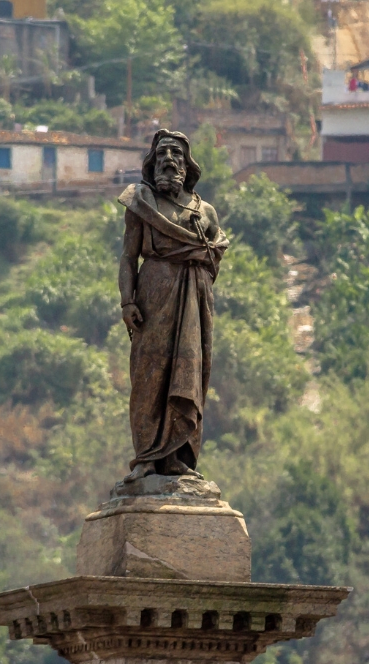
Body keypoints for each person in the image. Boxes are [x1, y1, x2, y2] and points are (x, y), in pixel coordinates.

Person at [117, 130, 230, 482]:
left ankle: (177, 458)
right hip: (151, 299)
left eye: (176, 154)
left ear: (187, 164)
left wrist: (194, 269)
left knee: (187, 378)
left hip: (193, 305)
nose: (169, 159)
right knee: (149, 378)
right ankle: (147, 458)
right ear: (153, 162)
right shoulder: (141, 202)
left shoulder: (205, 212)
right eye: (163, 153)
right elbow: (127, 257)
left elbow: (214, 258)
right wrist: (127, 301)